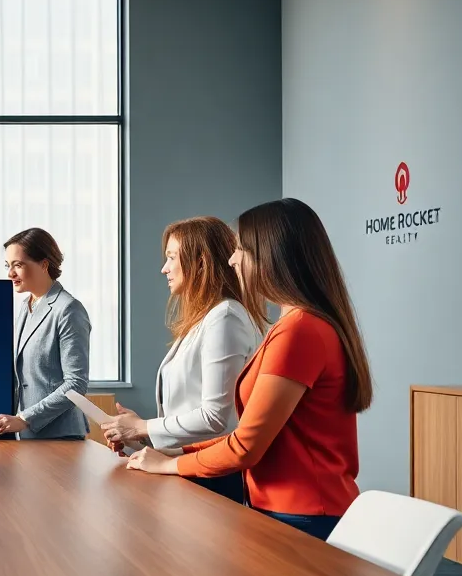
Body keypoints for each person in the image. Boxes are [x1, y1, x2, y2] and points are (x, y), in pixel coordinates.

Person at [126, 198, 373, 541]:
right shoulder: (295, 325)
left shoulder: (299, 331)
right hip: (286, 508)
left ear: (271, 256)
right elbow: (247, 437)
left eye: (241, 249)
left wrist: (169, 464)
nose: (232, 259)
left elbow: (246, 446)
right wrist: (175, 451)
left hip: (302, 515)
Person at [100, 217, 264, 504]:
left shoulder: (225, 318)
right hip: (190, 468)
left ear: (201, 261)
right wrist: (139, 434)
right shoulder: (207, 318)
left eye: (171, 258)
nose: (164, 268)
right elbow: (189, 412)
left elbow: (216, 417)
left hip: (214, 478)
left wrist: (142, 427)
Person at [0, 228, 92, 440]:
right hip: (27, 436)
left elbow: (76, 384)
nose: (10, 273)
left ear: (44, 264)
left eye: (18, 265)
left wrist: (25, 418)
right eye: (8, 266)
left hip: (60, 436)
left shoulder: (68, 309)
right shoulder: (26, 307)